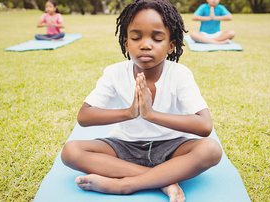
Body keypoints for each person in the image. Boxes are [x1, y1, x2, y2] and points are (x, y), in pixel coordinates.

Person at [61, 0, 222, 201]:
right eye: (136, 37)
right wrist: (130, 113)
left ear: (171, 45)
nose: (145, 45)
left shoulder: (180, 74)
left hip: (171, 147)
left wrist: (151, 115)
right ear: (126, 43)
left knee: (211, 150)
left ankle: (125, 185)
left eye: (157, 38)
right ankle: (165, 180)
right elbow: (84, 117)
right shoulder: (114, 73)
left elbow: (205, 125)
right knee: (71, 151)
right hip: (124, 145)